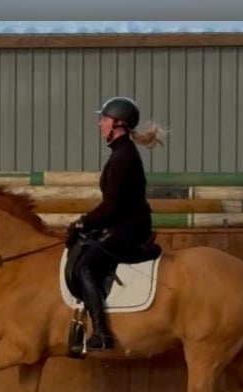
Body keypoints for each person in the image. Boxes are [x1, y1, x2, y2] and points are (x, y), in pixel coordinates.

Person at [66, 96, 165, 351]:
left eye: (104, 120)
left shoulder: (123, 157)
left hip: (129, 228)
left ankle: (101, 333)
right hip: (124, 223)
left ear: (117, 124)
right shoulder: (121, 153)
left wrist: (82, 223)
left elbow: (110, 207)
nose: (100, 124)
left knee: (85, 266)